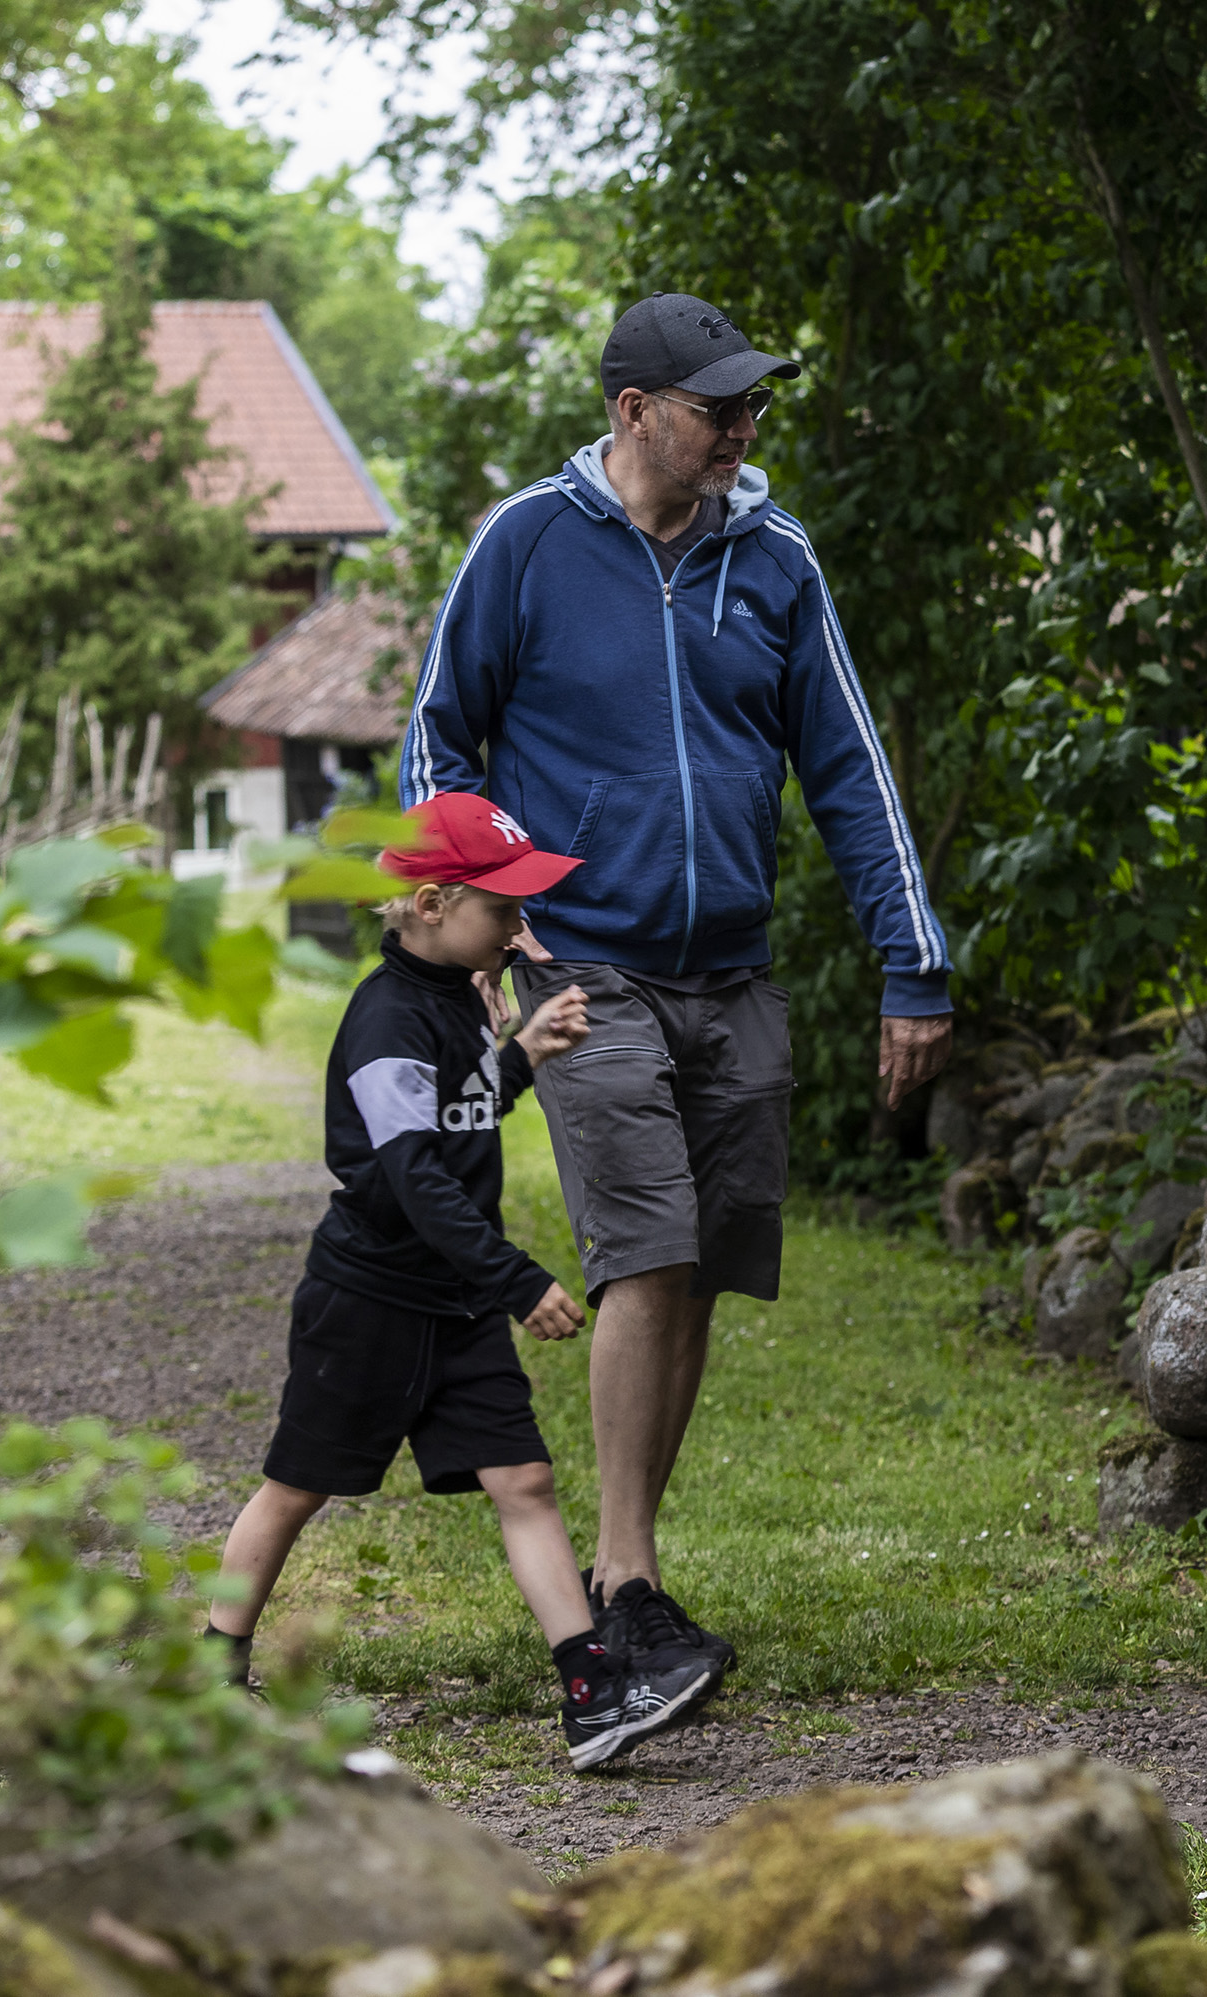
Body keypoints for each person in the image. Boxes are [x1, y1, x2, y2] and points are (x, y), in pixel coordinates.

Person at [400, 292, 955, 1695]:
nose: (746, 429)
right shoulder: (524, 545)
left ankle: (626, 1567)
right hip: (583, 965)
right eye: (720, 407)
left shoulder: (773, 557)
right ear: (634, 411)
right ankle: (627, 1583)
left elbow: (849, 770)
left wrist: (912, 960)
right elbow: (436, 749)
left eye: (753, 405)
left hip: (734, 971)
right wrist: (484, 930)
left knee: (697, 1264)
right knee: (642, 1252)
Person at [206, 793, 701, 1771]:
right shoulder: (386, 1016)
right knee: (297, 1486)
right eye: (502, 911)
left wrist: (519, 1053)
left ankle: (590, 1689)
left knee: (522, 1477)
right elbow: (411, 1169)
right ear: (431, 902)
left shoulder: (452, 994)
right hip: (371, 1297)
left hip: (453, 1299)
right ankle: (213, 1667)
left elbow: (459, 1113)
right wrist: (516, 1278)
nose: (521, 930)